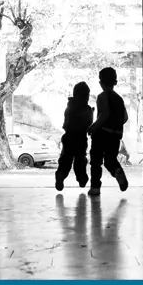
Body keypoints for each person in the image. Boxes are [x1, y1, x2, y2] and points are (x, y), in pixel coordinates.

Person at [85, 67, 129, 196]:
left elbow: (104, 114)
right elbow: (125, 118)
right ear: (115, 82)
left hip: (101, 134)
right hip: (115, 136)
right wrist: (115, 125)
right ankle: (117, 172)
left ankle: (95, 187)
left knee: (96, 161)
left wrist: (94, 126)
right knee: (110, 160)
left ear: (101, 82)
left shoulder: (102, 96)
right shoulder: (119, 98)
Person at [55, 82, 93, 191]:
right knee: (80, 160)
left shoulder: (69, 107)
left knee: (65, 160)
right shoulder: (86, 109)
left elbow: (66, 123)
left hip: (68, 137)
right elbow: (89, 123)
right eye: (87, 95)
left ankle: (60, 175)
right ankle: (82, 178)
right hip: (81, 138)